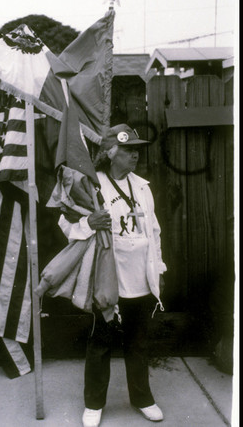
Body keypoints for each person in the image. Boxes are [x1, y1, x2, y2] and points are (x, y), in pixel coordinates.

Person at [58, 124, 167, 427]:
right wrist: (89, 222)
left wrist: (158, 267)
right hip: (108, 278)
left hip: (140, 279)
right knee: (102, 341)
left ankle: (142, 398)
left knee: (138, 341)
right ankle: (94, 404)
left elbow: (153, 231)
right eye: (129, 149)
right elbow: (66, 224)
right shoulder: (92, 186)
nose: (136, 154)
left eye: (137, 149)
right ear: (110, 153)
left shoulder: (142, 186)